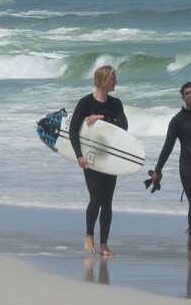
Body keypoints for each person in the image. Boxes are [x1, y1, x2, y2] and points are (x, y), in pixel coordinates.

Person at [149, 81, 191, 257]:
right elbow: (168, 146)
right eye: (187, 93)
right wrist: (158, 169)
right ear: (182, 97)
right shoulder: (178, 121)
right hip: (188, 166)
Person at [70, 64, 127, 256]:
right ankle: (88, 235)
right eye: (113, 78)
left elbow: (123, 126)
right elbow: (73, 131)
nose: (116, 81)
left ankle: (104, 244)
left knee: (108, 202)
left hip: (110, 157)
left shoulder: (116, 103)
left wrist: (102, 117)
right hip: (91, 157)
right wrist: (79, 155)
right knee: (96, 198)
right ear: (103, 80)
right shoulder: (85, 103)